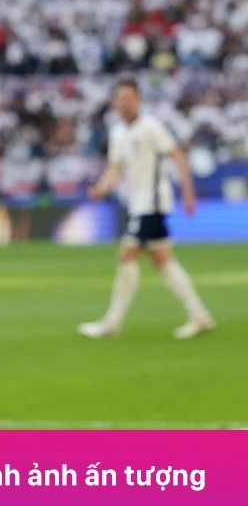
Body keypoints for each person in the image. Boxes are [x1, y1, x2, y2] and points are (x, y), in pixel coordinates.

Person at [79, 79, 215, 340]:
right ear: (115, 102)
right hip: (137, 202)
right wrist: (101, 188)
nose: (124, 102)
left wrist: (188, 193)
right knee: (163, 261)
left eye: (129, 97)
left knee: (126, 256)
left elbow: (177, 155)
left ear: (138, 99)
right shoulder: (118, 133)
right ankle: (200, 316)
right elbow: (116, 167)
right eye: (120, 98)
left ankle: (112, 323)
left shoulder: (151, 126)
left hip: (152, 202)